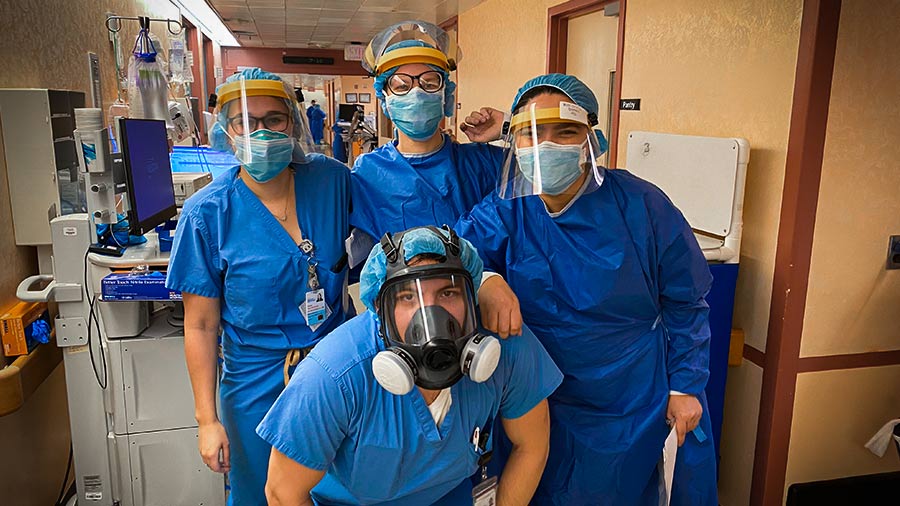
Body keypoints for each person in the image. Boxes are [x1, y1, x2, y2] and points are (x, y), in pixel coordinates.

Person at [454, 74, 717, 505]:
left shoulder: (641, 204)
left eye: (566, 131)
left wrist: (684, 385)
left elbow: (686, 300)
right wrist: (486, 278)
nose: (547, 145)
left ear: (592, 141)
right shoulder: (507, 208)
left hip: (628, 395)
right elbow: (456, 255)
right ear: (514, 145)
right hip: (538, 392)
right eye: (532, 134)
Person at [257, 226, 563, 506]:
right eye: (407, 297)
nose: (430, 316)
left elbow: (532, 446)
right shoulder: (335, 376)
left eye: (448, 292)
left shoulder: (505, 348)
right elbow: (283, 493)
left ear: (472, 298)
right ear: (380, 311)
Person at [166, 68, 354, 506]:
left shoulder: (331, 181)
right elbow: (200, 326)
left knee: (337, 489)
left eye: (273, 119)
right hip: (255, 384)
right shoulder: (206, 214)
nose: (261, 132)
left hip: (334, 372)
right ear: (225, 131)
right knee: (260, 493)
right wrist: (206, 419)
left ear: (294, 121)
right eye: (244, 122)